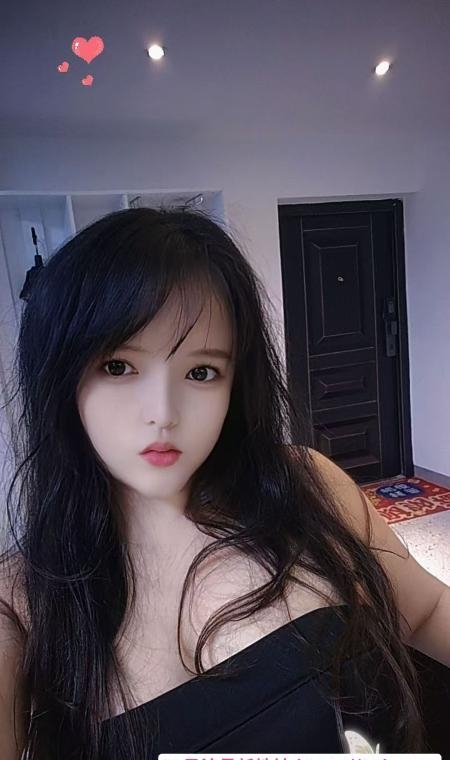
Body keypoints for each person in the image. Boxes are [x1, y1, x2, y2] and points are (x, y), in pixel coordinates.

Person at [0, 206, 449, 760]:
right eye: (118, 366)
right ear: (60, 375)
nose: (163, 413)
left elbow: (426, 609)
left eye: (201, 372)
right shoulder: (23, 604)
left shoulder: (305, 485)